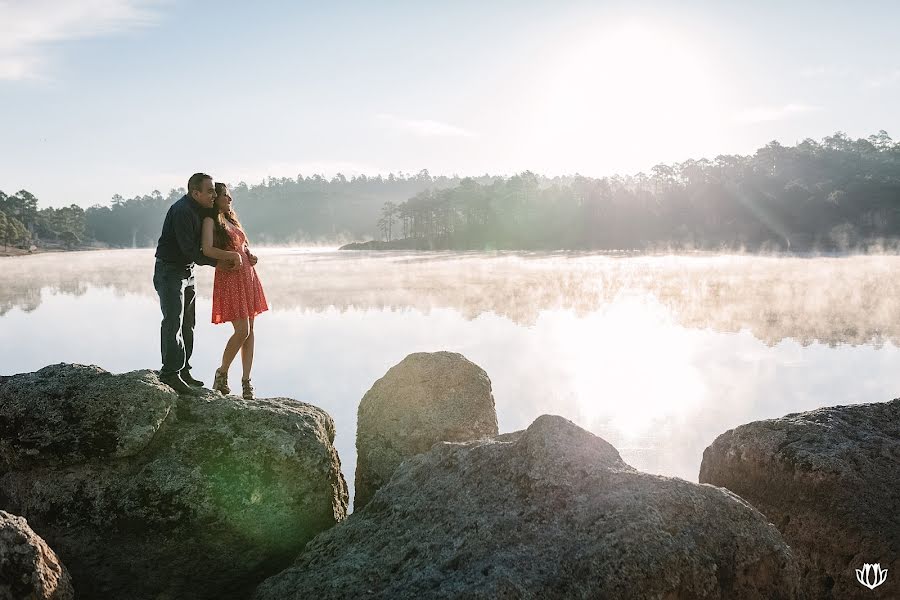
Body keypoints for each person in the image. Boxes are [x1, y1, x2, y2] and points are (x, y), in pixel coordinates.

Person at [153, 172, 235, 396]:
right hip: (169, 271)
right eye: (209, 191)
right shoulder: (181, 211)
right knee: (173, 321)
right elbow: (190, 249)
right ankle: (170, 373)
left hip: (187, 272)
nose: (214, 195)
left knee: (188, 324)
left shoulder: (201, 210)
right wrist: (218, 262)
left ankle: (184, 371)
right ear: (195, 192)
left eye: (214, 192)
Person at [201, 183, 269, 399]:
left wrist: (251, 255)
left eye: (230, 196)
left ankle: (247, 382)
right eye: (225, 196)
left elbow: (243, 246)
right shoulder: (210, 221)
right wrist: (230, 256)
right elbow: (207, 249)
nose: (230, 200)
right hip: (230, 278)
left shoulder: (231, 220)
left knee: (250, 332)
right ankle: (221, 373)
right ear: (216, 199)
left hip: (247, 276)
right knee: (242, 331)